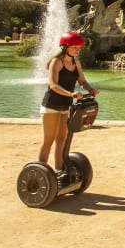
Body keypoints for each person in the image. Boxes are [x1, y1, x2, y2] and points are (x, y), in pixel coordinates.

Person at [39, 32, 99, 170]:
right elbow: (53, 85)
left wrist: (91, 89)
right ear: (65, 47)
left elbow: (82, 81)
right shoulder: (56, 62)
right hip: (51, 105)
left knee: (62, 140)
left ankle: (59, 170)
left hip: (66, 105)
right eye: (75, 47)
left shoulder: (75, 62)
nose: (78, 50)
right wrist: (71, 94)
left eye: (79, 48)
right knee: (48, 141)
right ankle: (41, 171)